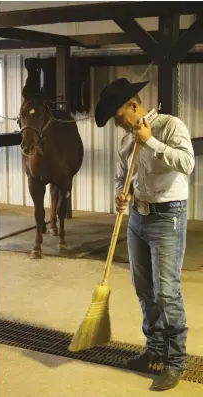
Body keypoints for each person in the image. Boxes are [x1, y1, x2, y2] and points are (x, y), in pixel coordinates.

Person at [95, 78, 195, 391]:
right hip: (138, 217)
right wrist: (119, 197)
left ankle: (175, 361)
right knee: (143, 288)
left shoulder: (169, 126)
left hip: (168, 216)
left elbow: (187, 163)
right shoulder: (125, 143)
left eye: (118, 116)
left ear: (133, 105)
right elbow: (120, 178)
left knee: (167, 291)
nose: (118, 123)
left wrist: (150, 141)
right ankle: (154, 349)